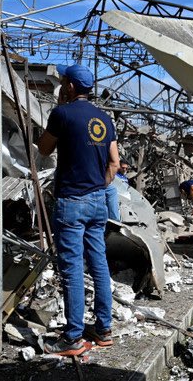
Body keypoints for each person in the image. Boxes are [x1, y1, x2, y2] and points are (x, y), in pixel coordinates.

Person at [38, 64, 119, 356]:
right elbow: (114, 163)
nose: (61, 86)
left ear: (70, 87)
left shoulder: (62, 114)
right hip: (98, 200)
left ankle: (72, 337)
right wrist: (97, 186)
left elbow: (44, 149)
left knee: (72, 269)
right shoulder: (105, 119)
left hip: (71, 202)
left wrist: (59, 108)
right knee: (99, 264)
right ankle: (103, 329)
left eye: (63, 82)